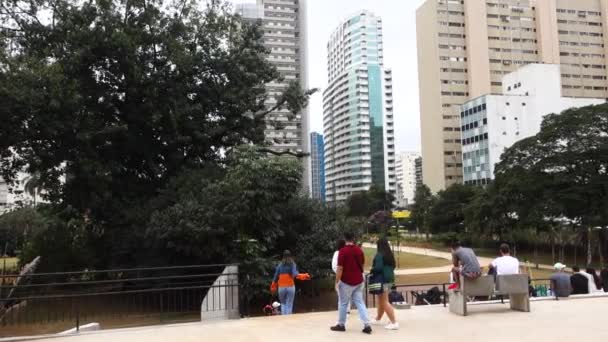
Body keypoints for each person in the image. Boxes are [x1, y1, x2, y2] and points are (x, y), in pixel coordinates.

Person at [330, 231, 372, 334]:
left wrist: (337, 281)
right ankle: (367, 324)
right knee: (360, 302)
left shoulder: (342, 251)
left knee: (343, 303)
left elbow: (340, 268)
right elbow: (362, 264)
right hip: (358, 281)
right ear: (353, 238)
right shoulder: (359, 250)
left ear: (345, 239)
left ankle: (341, 324)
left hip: (346, 281)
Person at [369, 238, 399, 330]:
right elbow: (393, 266)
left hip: (382, 280)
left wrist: (371, 270)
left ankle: (394, 322)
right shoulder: (390, 255)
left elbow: (378, 268)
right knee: (381, 299)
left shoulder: (379, 255)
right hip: (389, 280)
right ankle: (378, 318)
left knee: (384, 301)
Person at [270, 250, 310, 315]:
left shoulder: (280, 265)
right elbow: (295, 275)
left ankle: (284, 319)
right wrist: (304, 276)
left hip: (281, 288)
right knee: (289, 304)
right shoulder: (292, 264)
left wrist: (273, 287)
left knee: (283, 304)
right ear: (290, 256)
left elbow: (275, 277)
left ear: (283, 257)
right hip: (290, 287)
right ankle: (288, 319)